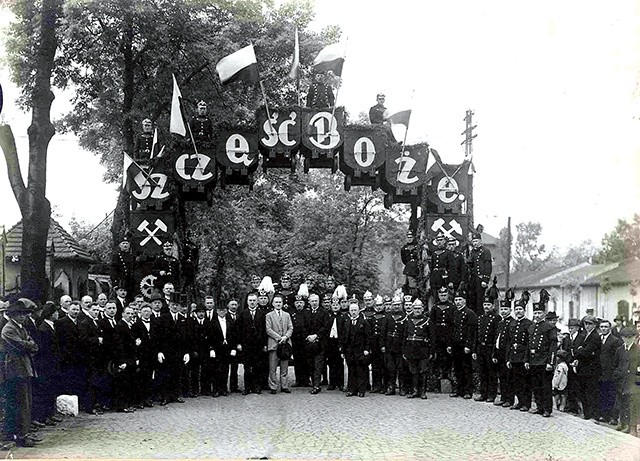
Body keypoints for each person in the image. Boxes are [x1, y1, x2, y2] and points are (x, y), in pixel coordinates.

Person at [1, 299, 39, 447]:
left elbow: (33, 345)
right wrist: (29, 345)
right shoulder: (9, 329)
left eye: (24, 314)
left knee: (25, 402)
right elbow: (21, 345)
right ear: (12, 315)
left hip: (24, 369)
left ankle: (23, 433)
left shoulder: (21, 328)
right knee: (20, 403)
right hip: (15, 370)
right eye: (19, 314)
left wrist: (29, 345)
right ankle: (20, 436)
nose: (23, 317)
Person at [155, 292, 189, 405]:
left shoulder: (182, 319)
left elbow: (185, 338)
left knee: (177, 374)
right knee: (165, 375)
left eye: (177, 305)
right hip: (166, 352)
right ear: (169, 305)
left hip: (178, 352)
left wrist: (186, 352)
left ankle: (176, 395)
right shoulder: (163, 318)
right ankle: (165, 396)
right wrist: (159, 351)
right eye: (173, 304)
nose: (175, 307)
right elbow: (158, 336)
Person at [525, 300, 557, 418]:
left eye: (539, 313)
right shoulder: (532, 327)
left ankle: (547, 409)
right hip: (534, 360)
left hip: (544, 361)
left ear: (544, 314)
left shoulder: (549, 327)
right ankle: (539, 407)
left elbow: (553, 347)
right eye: (535, 313)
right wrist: (527, 360)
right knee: (536, 386)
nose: (537, 315)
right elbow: (529, 345)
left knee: (545, 386)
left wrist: (551, 362)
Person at [32, 303, 62, 427]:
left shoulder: (50, 326)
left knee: (50, 389)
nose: (57, 314)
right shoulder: (44, 329)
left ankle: (49, 414)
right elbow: (45, 350)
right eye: (55, 312)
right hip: (46, 365)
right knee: (45, 390)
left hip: (52, 364)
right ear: (51, 314)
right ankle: (44, 416)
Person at [571, 315, 602, 420]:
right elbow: (581, 350)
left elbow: (587, 352)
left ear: (594, 325)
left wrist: (580, 349)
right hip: (584, 368)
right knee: (584, 392)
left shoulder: (595, 336)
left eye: (590, 324)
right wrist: (580, 350)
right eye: (585, 324)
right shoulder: (586, 335)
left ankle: (593, 415)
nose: (587, 326)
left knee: (591, 392)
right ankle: (587, 414)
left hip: (591, 369)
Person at [448, 286, 477, 399]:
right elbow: (451, 330)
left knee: (466, 368)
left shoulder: (470, 313)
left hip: (465, 345)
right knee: (457, 368)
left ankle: (468, 391)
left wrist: (468, 345)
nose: (458, 302)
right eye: (456, 300)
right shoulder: (454, 313)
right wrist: (450, 344)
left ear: (464, 300)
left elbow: (472, 331)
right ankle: (459, 390)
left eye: (460, 300)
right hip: (455, 344)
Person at [506, 295, 533, 411]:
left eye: (520, 309)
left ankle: (526, 404)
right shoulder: (512, 324)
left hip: (523, 356)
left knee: (524, 381)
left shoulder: (529, 324)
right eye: (516, 309)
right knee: (516, 381)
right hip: (514, 356)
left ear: (524, 311)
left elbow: (530, 343)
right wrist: (508, 358)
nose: (518, 311)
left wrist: (526, 358)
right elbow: (509, 341)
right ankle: (519, 401)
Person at [237, 293, 267, 395]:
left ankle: (257, 387)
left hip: (258, 345)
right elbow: (239, 330)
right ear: (247, 302)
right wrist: (239, 343)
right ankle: (247, 388)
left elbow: (264, 330)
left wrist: (264, 344)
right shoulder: (243, 313)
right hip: (246, 345)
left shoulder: (262, 313)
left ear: (257, 301)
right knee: (247, 367)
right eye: (250, 300)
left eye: (254, 300)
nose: (252, 302)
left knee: (257, 367)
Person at [612, 327, 640, 435]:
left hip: (633, 382)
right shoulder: (619, 350)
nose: (628, 339)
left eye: (630, 337)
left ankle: (631, 426)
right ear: (622, 338)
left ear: (634, 337)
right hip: (621, 381)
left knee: (632, 405)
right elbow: (615, 365)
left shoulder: (638, 350)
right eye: (625, 337)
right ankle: (622, 423)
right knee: (621, 403)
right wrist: (617, 375)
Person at [341, 301, 372, 397]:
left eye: (355, 310)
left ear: (359, 311)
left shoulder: (364, 322)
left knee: (361, 370)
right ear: (349, 311)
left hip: (360, 350)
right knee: (351, 370)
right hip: (349, 351)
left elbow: (368, 337)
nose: (353, 312)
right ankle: (352, 390)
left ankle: (361, 390)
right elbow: (343, 337)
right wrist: (342, 350)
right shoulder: (347, 323)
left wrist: (367, 349)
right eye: (352, 310)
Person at [402, 299, 432, 399]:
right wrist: (404, 350)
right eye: (415, 308)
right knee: (413, 371)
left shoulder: (427, 321)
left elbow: (432, 337)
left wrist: (431, 351)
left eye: (419, 308)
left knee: (423, 371)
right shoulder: (408, 320)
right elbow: (405, 336)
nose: (417, 310)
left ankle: (423, 391)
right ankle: (415, 391)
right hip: (411, 348)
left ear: (422, 309)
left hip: (423, 349)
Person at [473, 296, 499, 403]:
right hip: (481, 348)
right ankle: (483, 393)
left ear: (492, 306)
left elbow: (497, 336)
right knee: (482, 372)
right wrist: (474, 350)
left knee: (491, 372)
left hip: (490, 347)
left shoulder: (496, 318)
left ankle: (491, 394)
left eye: (488, 305)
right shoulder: (480, 318)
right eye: (485, 305)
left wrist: (495, 352)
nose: (486, 307)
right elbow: (476, 335)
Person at [265, 294, 293, 394]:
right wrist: (278, 338)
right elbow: (268, 329)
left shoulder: (287, 315)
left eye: (280, 302)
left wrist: (285, 337)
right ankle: (273, 386)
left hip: (285, 344)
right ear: (272, 303)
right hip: (274, 344)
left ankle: (284, 386)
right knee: (272, 367)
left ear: (282, 303)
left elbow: (290, 328)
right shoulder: (269, 315)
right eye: (276, 302)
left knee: (284, 366)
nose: (278, 304)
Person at [598, 319, 623, 425]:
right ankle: (604, 415)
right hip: (601, 372)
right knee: (603, 393)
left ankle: (613, 417)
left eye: (606, 327)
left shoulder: (615, 340)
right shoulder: (599, 339)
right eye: (602, 327)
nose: (604, 329)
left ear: (609, 328)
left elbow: (619, 357)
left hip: (611, 372)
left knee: (612, 395)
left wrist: (616, 371)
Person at [210, 302, 237, 397]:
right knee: (216, 369)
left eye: (224, 310)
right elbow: (210, 337)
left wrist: (233, 348)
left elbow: (234, 336)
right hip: (217, 349)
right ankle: (216, 389)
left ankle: (224, 388)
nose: (222, 312)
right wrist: (211, 349)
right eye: (220, 310)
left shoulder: (230, 322)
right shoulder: (213, 323)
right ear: (217, 311)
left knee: (225, 369)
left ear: (226, 311)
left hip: (227, 348)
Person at [131, 303, 156, 408]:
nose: (146, 313)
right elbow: (134, 341)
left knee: (149, 377)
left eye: (148, 311)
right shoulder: (136, 325)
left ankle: (147, 399)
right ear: (140, 312)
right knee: (140, 378)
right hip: (141, 355)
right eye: (144, 311)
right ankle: (139, 400)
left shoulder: (155, 323)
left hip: (151, 355)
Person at [306, 293, 330, 394]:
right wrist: (308, 337)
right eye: (312, 301)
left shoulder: (324, 313)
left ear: (319, 301)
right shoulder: (306, 313)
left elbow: (326, 327)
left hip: (320, 343)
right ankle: (313, 381)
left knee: (318, 364)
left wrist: (316, 336)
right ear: (309, 302)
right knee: (310, 364)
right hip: (308, 342)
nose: (314, 303)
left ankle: (317, 385)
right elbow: (303, 326)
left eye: (316, 301)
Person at [492, 296, 514, 407]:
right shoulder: (500, 323)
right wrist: (495, 353)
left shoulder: (513, 322)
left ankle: (509, 399)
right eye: (502, 309)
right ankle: (503, 397)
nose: (504, 311)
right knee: (502, 377)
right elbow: (497, 339)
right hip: (500, 353)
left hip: (507, 353)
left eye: (506, 309)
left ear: (510, 310)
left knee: (509, 377)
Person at [431, 286, 454, 382]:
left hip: (448, 333)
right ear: (438, 296)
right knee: (439, 355)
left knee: (448, 355)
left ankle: (447, 373)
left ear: (447, 295)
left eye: (445, 295)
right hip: (438, 334)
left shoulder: (452, 307)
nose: (443, 297)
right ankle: (438, 374)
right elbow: (432, 322)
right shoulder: (435, 308)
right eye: (441, 295)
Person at [384, 295, 407, 395]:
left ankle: (402, 387)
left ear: (401, 305)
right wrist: (382, 345)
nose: (396, 307)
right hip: (389, 346)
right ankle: (391, 386)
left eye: (398, 305)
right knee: (390, 368)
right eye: (395, 305)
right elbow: (383, 332)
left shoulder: (405, 317)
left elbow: (406, 332)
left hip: (400, 346)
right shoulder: (388, 317)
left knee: (401, 368)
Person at [467, 232, 492, 316]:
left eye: (476, 241)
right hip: (473, 279)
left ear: (480, 241)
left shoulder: (485, 251)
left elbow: (488, 266)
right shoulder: (472, 252)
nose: (475, 243)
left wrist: (485, 279)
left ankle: (481, 316)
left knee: (480, 299)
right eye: (473, 241)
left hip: (481, 278)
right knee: (472, 298)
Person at [290, 295, 310, 387]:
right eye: (297, 303)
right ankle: (298, 380)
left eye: (301, 303)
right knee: (297, 360)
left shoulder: (307, 313)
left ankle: (306, 380)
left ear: (304, 303)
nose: (299, 304)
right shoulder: (291, 313)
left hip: (305, 339)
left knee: (306, 360)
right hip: (295, 340)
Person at [369, 295, 388, 393]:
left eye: (380, 305)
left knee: (384, 366)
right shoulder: (372, 317)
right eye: (377, 305)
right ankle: (376, 385)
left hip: (383, 344)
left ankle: (385, 386)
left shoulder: (387, 316)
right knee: (375, 366)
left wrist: (383, 345)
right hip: (374, 344)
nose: (379, 307)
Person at [325, 297, 345, 391]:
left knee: (339, 363)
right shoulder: (328, 316)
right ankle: (332, 383)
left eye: (337, 305)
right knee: (331, 363)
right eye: (333, 305)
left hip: (339, 341)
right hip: (330, 342)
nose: (335, 306)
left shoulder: (343, 317)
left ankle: (340, 383)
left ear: (340, 306)